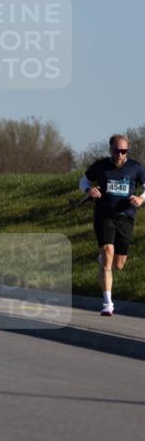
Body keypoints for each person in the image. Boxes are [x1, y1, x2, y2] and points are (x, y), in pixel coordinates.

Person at [80, 134, 145, 316]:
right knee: (108, 250)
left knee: (119, 264)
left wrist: (141, 198)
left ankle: (103, 264)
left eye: (124, 151)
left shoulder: (136, 167)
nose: (120, 154)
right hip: (104, 215)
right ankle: (108, 304)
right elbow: (83, 180)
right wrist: (89, 190)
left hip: (126, 217)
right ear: (111, 149)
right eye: (117, 151)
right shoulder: (101, 166)